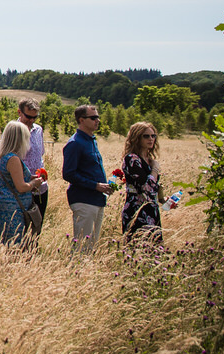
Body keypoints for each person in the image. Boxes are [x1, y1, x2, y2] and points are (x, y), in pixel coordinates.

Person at [62, 104, 114, 254]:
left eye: (98, 117)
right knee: (82, 246)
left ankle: (85, 273)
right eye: (93, 117)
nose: (97, 120)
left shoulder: (91, 140)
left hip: (96, 199)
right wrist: (95, 185)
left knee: (92, 244)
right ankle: (76, 272)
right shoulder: (75, 143)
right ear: (81, 120)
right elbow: (68, 174)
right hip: (84, 200)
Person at [0, 119, 46, 247]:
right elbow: (21, 187)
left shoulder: (4, 156)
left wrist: (29, 178)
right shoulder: (13, 159)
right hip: (15, 210)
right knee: (16, 249)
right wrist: (35, 182)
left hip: (8, 207)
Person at [121, 121, 164, 243]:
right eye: (146, 136)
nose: (151, 139)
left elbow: (153, 187)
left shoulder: (148, 160)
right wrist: (155, 169)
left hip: (151, 209)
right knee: (138, 249)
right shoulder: (132, 159)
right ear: (137, 138)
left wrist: (164, 199)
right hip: (137, 210)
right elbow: (146, 187)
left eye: (153, 136)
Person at [19, 100, 48, 220]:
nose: (31, 120)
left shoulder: (38, 130)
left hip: (40, 188)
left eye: (34, 117)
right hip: (22, 188)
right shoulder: (13, 131)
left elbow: (40, 154)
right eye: (28, 117)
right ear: (19, 112)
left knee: (37, 225)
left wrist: (42, 175)